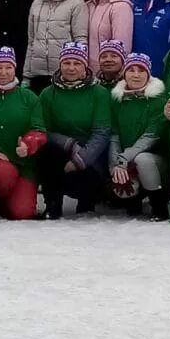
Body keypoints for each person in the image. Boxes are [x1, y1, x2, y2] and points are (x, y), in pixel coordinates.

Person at [37, 42, 112, 218]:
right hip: (61, 152)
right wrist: (69, 144)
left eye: (77, 63)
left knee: (89, 176)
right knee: (46, 151)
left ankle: (87, 202)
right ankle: (53, 206)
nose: (71, 68)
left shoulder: (99, 93)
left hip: (90, 158)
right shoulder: (48, 94)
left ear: (85, 66)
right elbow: (42, 130)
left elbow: (102, 133)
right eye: (67, 63)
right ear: (60, 64)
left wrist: (80, 159)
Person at [0, 47, 44, 220]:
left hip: (24, 164)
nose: (3, 72)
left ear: (15, 69)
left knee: (23, 212)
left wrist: (28, 144)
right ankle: (3, 198)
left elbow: (39, 129)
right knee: (3, 174)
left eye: (8, 67)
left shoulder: (29, 98)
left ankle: (14, 201)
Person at [110, 53, 170, 220]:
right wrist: (115, 165)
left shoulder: (158, 99)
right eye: (131, 70)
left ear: (148, 74)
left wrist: (123, 158)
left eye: (141, 71)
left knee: (143, 159)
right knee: (123, 189)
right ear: (124, 73)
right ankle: (134, 200)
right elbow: (114, 135)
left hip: (156, 162)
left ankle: (159, 206)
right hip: (127, 160)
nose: (136, 75)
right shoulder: (117, 99)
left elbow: (150, 137)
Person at [25, 0, 88, 91]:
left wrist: (80, 69)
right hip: (39, 73)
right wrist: (27, 75)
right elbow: (31, 41)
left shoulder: (76, 3)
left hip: (64, 72)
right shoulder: (37, 3)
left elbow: (81, 39)